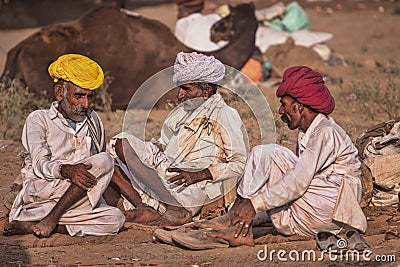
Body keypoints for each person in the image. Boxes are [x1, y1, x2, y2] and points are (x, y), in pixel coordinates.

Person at [192, 66, 368, 247]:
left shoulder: (326, 132)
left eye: (284, 104)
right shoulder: (310, 132)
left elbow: (298, 182)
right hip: (317, 212)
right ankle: (236, 217)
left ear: (299, 106)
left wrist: (254, 205)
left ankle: (237, 220)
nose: (281, 111)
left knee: (269, 154)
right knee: (267, 162)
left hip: (331, 213)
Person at [108, 52, 248, 226]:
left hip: (192, 187)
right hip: (168, 175)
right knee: (113, 160)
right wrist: (145, 154)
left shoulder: (224, 114)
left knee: (123, 146)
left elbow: (240, 162)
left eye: (187, 89)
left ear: (206, 91)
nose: (180, 95)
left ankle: (175, 209)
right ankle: (143, 206)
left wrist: (199, 175)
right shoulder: (180, 113)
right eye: (180, 88)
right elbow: (163, 146)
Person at [3, 54, 125, 238]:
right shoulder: (39, 119)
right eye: (79, 95)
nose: (85, 103)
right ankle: (51, 218)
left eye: (89, 96)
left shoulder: (93, 120)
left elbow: (97, 165)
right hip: (45, 190)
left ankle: (42, 223)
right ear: (60, 92)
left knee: (115, 219)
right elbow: (39, 165)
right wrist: (66, 170)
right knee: (104, 161)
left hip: (77, 194)